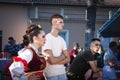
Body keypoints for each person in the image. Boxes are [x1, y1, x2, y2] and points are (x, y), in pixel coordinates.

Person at [42, 14, 70, 80]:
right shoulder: (47, 38)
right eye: (61, 22)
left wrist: (55, 61)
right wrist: (63, 57)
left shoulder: (62, 39)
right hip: (51, 74)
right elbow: (52, 61)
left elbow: (68, 59)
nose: (63, 24)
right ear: (54, 22)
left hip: (62, 73)